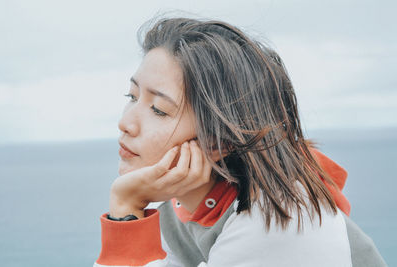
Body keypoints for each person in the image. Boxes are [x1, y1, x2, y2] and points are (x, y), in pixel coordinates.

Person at [94, 17, 386, 267]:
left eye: (159, 109)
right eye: (132, 97)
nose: (125, 122)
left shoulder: (277, 219)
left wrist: (126, 207)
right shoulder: (177, 202)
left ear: (220, 142)